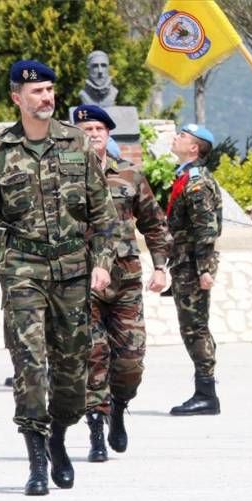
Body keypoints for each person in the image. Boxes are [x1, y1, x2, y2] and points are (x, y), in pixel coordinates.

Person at [0, 60, 119, 495]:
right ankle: (35, 461)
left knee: (72, 370)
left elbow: (103, 215)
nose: (47, 98)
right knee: (29, 363)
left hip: (72, 271)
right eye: (37, 92)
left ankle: (58, 437)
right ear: (17, 97)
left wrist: (102, 262)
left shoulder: (76, 143)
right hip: (21, 270)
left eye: (50, 90)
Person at [72, 105, 172, 462]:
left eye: (99, 128)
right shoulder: (64, 179)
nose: (94, 133)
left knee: (130, 361)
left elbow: (155, 224)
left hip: (126, 281)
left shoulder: (130, 176)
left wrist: (160, 267)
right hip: (82, 282)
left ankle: (118, 407)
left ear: (108, 134)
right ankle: (96, 429)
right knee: (92, 356)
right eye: (86, 128)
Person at [166, 124, 223, 416]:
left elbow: (206, 229)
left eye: (183, 136)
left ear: (194, 148)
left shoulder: (196, 182)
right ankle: (205, 391)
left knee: (195, 328)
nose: (176, 137)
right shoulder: (186, 177)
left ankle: (206, 394)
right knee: (192, 327)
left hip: (192, 265)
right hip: (184, 263)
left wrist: (203, 269)